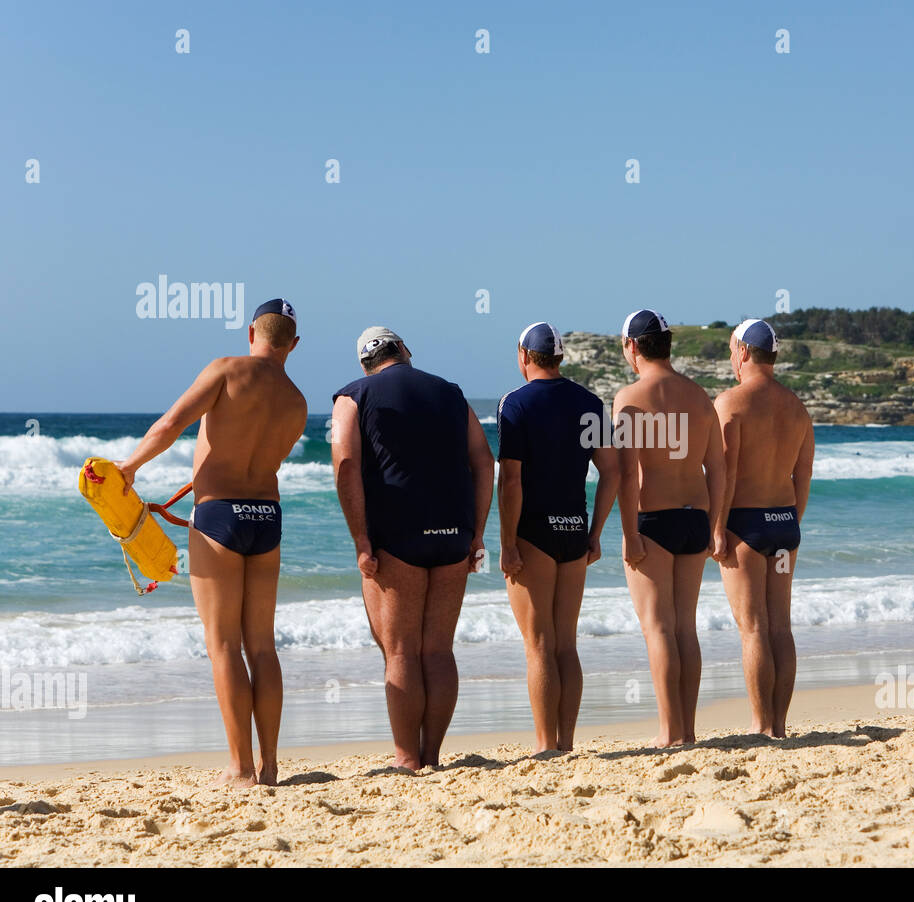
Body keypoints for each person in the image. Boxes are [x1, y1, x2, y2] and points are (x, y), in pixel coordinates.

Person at [117, 298, 307, 788]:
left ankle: (240, 768)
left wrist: (130, 467)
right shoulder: (298, 401)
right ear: (293, 344)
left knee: (222, 643)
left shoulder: (225, 369)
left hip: (219, 516)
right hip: (267, 517)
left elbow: (169, 425)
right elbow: (267, 462)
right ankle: (269, 766)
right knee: (262, 646)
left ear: (251, 333)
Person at [331, 327, 494, 770]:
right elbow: (483, 460)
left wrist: (361, 539)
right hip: (452, 533)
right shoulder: (449, 392)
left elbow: (346, 463)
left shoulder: (353, 395)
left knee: (401, 651)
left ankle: (406, 759)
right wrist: (476, 533)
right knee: (438, 649)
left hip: (396, 535)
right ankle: (433, 756)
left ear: (365, 363)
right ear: (404, 351)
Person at [497, 322, 619, 755]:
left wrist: (507, 541)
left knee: (539, 645)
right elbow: (613, 470)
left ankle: (546, 744)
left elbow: (511, 481)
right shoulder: (588, 402)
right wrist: (596, 532)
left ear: (524, 356)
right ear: (560, 357)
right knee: (566, 642)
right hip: (573, 529)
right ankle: (566, 741)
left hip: (534, 531)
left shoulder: (516, 402)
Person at [614, 309, 726, 747]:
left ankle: (668, 730)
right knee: (684, 627)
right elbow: (717, 467)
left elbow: (625, 473)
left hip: (653, 519)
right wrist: (715, 522)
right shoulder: (700, 397)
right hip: (694, 518)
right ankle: (689, 730)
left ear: (633, 347)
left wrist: (627, 532)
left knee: (658, 627)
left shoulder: (631, 397)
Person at [713, 320, 814, 738]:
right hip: (784, 525)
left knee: (752, 627)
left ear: (743, 352)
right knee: (780, 627)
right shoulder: (797, 408)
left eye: (731, 350)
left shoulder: (731, 403)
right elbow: (801, 479)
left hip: (745, 526)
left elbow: (727, 475)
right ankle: (780, 724)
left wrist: (717, 527)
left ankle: (760, 725)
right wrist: (791, 524)